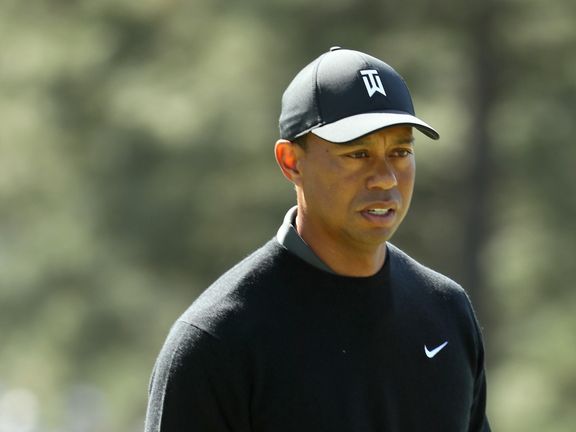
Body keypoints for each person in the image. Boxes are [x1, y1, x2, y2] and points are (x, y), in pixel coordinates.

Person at [144, 46, 491, 432]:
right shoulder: (218, 341)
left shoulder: (446, 313)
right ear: (291, 162)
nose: (385, 177)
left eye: (400, 151)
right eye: (358, 154)